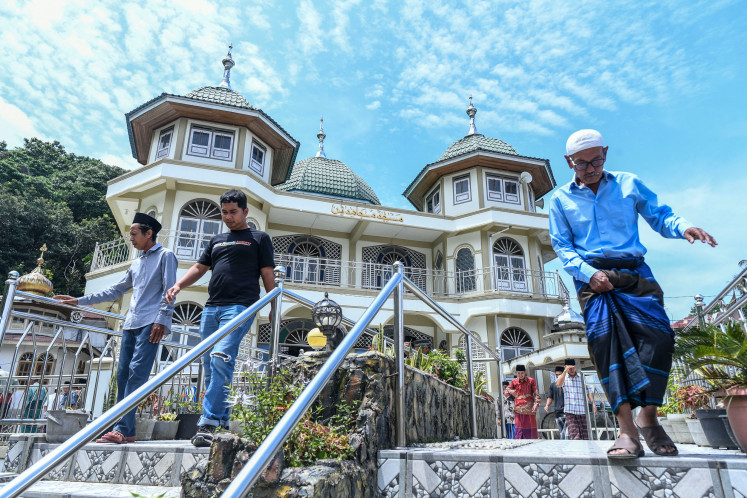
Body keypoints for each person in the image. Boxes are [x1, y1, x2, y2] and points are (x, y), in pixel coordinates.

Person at [549, 129, 717, 458]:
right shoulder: (560, 199)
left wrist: (684, 228)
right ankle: (627, 432)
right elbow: (563, 248)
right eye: (581, 164)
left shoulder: (628, 183)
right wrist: (589, 274)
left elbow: (661, 215)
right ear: (569, 162)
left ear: (606, 153)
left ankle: (649, 418)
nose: (590, 168)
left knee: (659, 338)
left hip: (634, 272)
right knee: (605, 345)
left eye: (596, 160)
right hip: (591, 278)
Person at [54, 212, 177, 444]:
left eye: (134, 234)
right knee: (122, 376)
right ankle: (125, 429)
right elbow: (115, 290)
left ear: (148, 233)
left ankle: (121, 427)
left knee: (136, 375)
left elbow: (170, 290)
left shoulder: (166, 256)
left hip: (152, 323)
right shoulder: (137, 262)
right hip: (130, 323)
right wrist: (78, 300)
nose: (130, 238)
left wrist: (163, 318)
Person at [166, 189, 275, 447]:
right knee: (212, 364)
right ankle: (223, 420)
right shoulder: (217, 240)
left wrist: (273, 305)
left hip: (240, 307)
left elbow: (268, 273)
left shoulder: (259, 238)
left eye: (233, 212)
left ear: (245, 211)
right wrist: (178, 285)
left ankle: (207, 423)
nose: (228, 217)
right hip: (212, 308)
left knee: (220, 358)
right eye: (224, 212)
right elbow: (199, 267)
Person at [556, 359, 596, 440]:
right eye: (569, 368)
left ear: (575, 367)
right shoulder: (562, 377)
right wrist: (564, 371)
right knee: (575, 435)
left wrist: (593, 403)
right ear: (565, 367)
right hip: (570, 411)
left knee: (585, 435)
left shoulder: (582, 377)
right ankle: (577, 452)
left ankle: (586, 451)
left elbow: (589, 391)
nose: (571, 369)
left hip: (582, 410)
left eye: (573, 367)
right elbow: (559, 384)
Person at [505, 365, 541, 439]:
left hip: (530, 410)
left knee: (531, 431)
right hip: (518, 410)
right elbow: (506, 392)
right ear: (516, 373)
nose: (520, 375)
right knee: (519, 430)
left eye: (522, 373)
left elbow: (536, 394)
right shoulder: (513, 382)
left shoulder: (531, 381)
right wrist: (511, 391)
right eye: (518, 373)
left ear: (525, 372)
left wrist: (536, 404)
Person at [544, 365, 567, 440]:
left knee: (566, 433)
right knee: (561, 432)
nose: (558, 376)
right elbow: (550, 397)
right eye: (556, 375)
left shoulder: (568, 384)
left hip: (568, 411)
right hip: (558, 412)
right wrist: (547, 405)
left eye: (559, 374)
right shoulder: (553, 385)